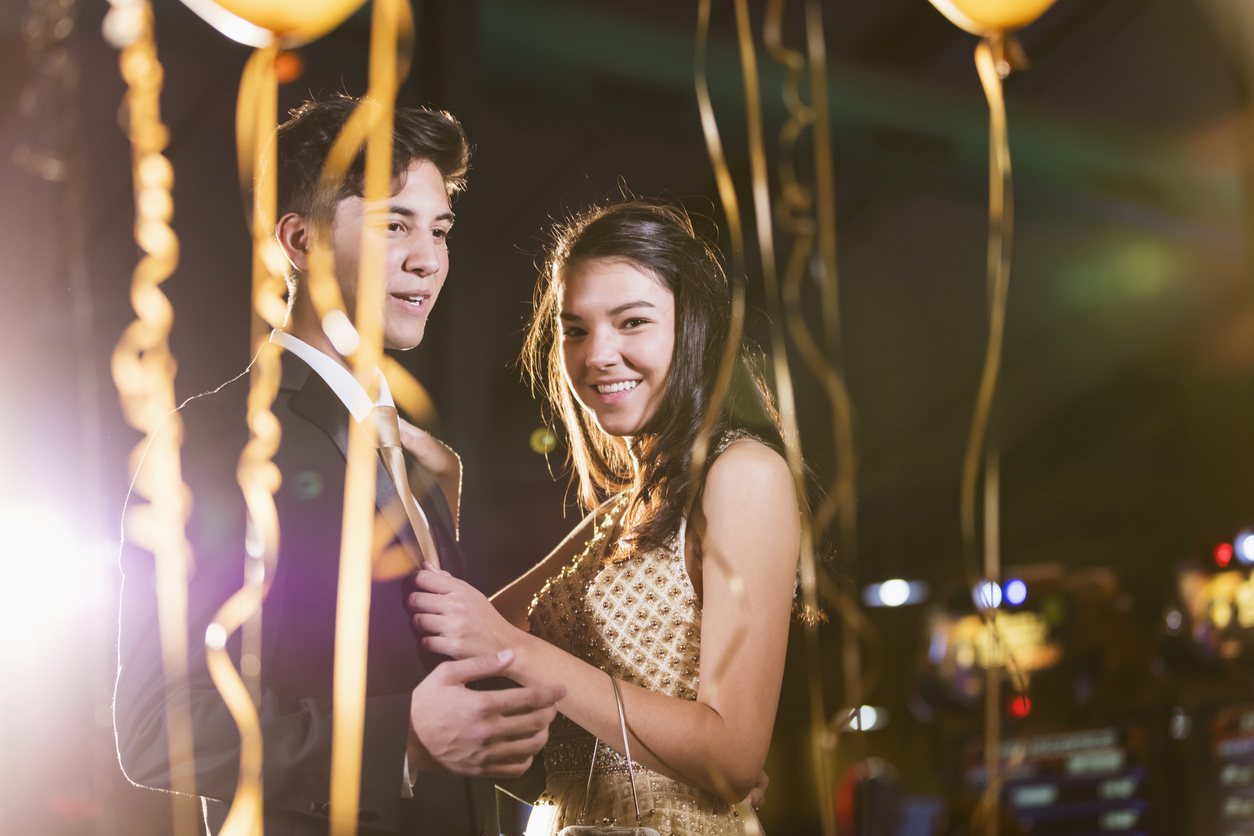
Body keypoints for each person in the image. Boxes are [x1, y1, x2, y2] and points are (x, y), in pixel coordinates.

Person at [114, 96, 564, 836]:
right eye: (395, 224)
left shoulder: (424, 462)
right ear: (298, 240)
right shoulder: (215, 440)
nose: (428, 258)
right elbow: (156, 727)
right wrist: (402, 740)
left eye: (440, 229)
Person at [403, 201, 800, 834]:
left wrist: (514, 650)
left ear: (694, 328)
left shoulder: (744, 473)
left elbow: (731, 757)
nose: (598, 356)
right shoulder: (616, 515)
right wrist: (438, 490)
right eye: (576, 330)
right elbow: (459, 654)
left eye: (632, 321)